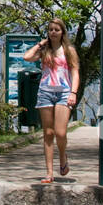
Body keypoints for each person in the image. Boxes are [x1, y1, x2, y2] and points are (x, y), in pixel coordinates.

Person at [23, 19, 80, 183]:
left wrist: (73, 92)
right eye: (50, 30)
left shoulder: (69, 51)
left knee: (60, 132)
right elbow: (27, 57)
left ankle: (63, 157)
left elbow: (75, 73)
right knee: (48, 133)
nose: (53, 32)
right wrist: (40, 44)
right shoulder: (44, 51)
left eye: (57, 29)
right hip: (45, 92)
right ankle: (49, 172)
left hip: (64, 92)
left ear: (62, 32)